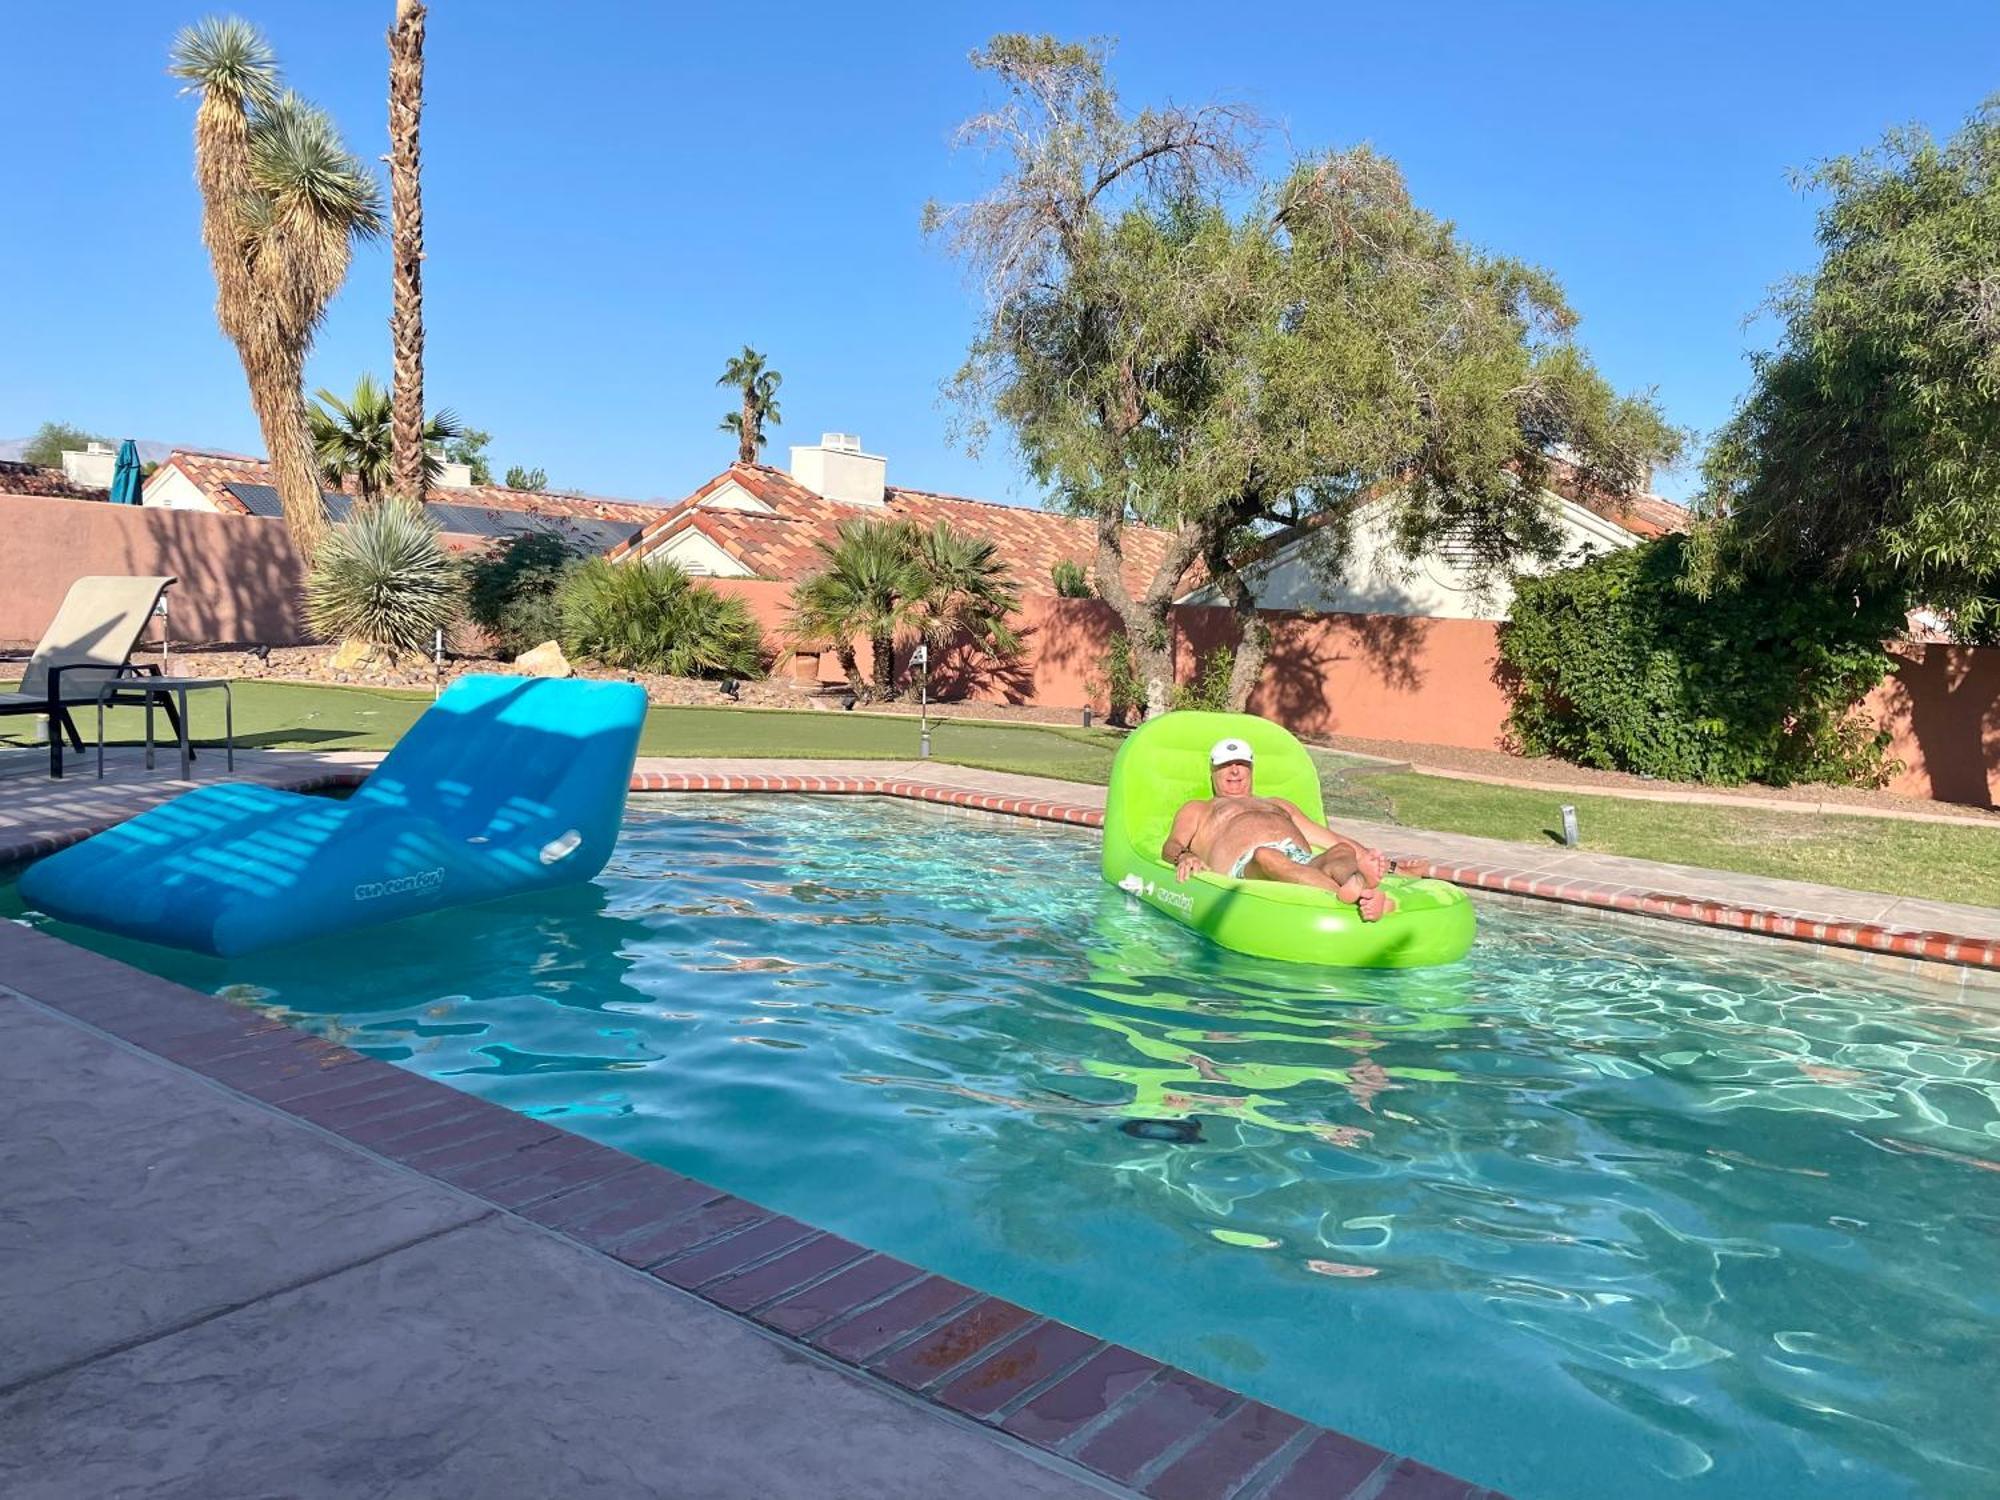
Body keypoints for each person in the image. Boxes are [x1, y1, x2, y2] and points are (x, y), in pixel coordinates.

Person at [1160, 737, 1396, 921]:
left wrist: (1394, 866)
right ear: (1213, 771)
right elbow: (1172, 844)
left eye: (1242, 764)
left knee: (1341, 850)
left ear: (1251, 769)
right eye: (1226, 765)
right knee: (1267, 855)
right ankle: (1356, 896)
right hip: (1248, 864)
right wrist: (1184, 855)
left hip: (1301, 859)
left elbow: (1329, 837)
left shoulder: (1278, 803)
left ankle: (1358, 884)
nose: (1235, 771)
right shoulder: (1199, 808)